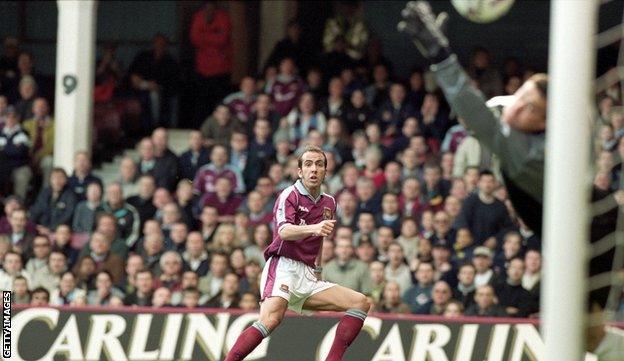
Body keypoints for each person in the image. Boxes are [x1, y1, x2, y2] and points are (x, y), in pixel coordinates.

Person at [226, 146, 370, 361]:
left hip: (308, 275)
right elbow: (284, 231)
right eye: (308, 164)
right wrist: (314, 228)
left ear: (325, 172)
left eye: (319, 164)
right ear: (300, 171)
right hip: (283, 267)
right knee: (271, 319)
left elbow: (320, 237)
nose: (314, 169)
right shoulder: (289, 195)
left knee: (361, 302)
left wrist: (318, 269)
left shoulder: (329, 202)